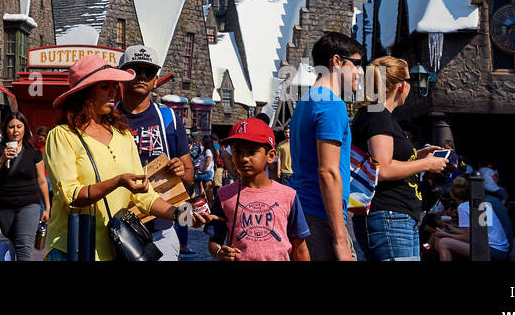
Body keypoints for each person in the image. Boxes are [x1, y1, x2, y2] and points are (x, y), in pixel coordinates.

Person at [42, 54, 208, 260]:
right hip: (72, 248)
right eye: (105, 85)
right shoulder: (62, 136)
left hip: (115, 250)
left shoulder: (123, 135)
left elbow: (145, 196)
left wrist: (182, 215)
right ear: (85, 92)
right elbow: (71, 196)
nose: (113, 91)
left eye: (114, 85)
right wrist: (118, 181)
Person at [351, 56, 447, 261]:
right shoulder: (378, 115)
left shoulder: (375, 113)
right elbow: (383, 168)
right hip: (389, 216)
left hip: (395, 216)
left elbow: (381, 158)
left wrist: (417, 155)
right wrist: (426, 163)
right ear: (402, 86)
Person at [288, 31, 365, 261]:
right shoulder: (332, 104)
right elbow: (328, 172)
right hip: (320, 216)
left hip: (303, 211)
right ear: (337, 61)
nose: (360, 73)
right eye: (357, 64)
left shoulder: (306, 100)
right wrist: (341, 238)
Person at [117, 45, 194, 260]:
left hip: (160, 228)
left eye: (148, 72)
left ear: (155, 80)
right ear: (122, 74)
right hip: (117, 226)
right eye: (134, 70)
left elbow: (189, 176)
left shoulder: (169, 118)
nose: (142, 76)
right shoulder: (108, 119)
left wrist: (180, 171)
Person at [209, 118, 310, 261]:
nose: (244, 158)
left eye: (251, 152)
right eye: (237, 151)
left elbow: (300, 248)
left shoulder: (288, 195)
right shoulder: (224, 196)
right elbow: (214, 241)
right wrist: (219, 252)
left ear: (271, 156)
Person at [0, 109, 50, 261]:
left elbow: (41, 180)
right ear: (5, 129)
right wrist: (1, 159)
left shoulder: (33, 152)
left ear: (25, 129)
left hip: (29, 204)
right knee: (6, 247)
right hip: (3, 205)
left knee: (24, 248)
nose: (15, 131)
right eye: (11, 127)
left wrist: (47, 206)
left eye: (19, 127)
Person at [432, 176, 511, 261]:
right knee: (442, 235)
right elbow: (474, 232)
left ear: (453, 195)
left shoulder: (463, 207)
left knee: (444, 242)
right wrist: (452, 228)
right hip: (501, 250)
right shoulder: (481, 203)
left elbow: (467, 237)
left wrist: (446, 235)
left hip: (491, 251)